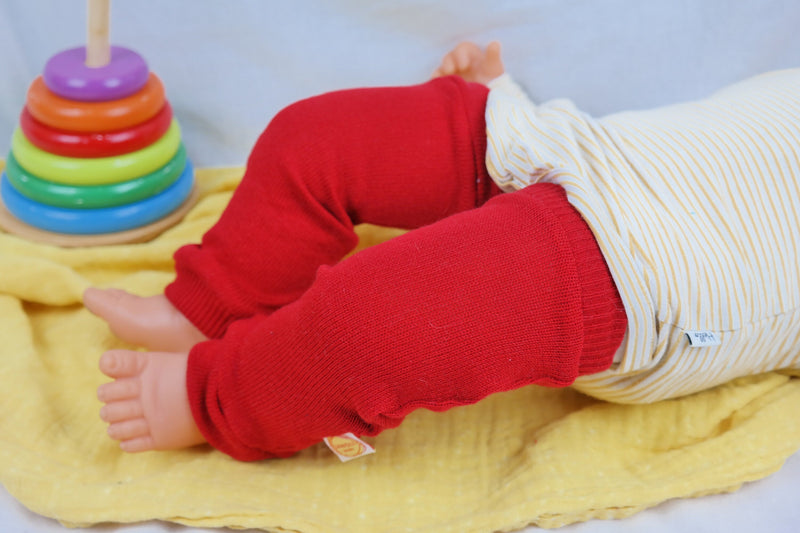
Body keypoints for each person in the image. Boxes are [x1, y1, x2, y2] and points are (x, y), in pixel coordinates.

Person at [84, 42, 800, 461]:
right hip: (583, 149)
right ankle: (211, 300)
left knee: (374, 322)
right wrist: (498, 100)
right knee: (310, 139)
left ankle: (219, 396)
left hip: (648, 276)